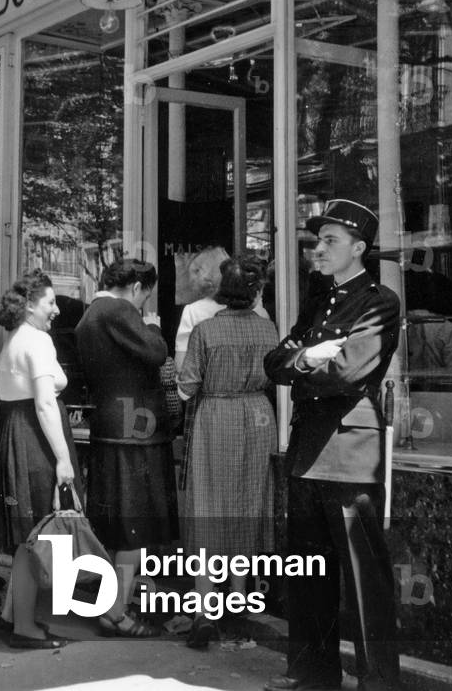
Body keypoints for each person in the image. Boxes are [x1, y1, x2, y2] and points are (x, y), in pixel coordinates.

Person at [263, 199, 402, 691]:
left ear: (359, 249)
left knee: (365, 577)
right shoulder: (318, 299)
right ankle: (311, 673)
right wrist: (306, 359)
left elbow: (349, 372)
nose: (318, 250)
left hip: (350, 451)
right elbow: (274, 363)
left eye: (330, 241)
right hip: (307, 450)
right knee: (308, 571)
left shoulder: (380, 301)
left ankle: (378, 681)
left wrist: (304, 363)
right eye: (318, 241)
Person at [178, 255, 278, 649]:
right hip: (257, 416)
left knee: (208, 505)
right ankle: (237, 603)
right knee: (248, 506)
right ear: (254, 293)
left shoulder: (206, 330)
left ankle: (204, 611)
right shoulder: (269, 329)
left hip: (215, 415)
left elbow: (187, 388)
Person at [75, 257, 178, 638]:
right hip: (136, 431)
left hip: (109, 425)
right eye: (144, 298)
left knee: (117, 526)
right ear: (136, 288)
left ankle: (113, 604)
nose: (144, 306)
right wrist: (152, 328)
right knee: (135, 526)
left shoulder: (91, 314)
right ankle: (117, 611)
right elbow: (155, 353)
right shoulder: (120, 311)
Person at [0, 269, 78, 650]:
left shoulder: (16, 340)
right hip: (34, 438)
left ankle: (14, 616)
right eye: (51, 302)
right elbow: (44, 403)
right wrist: (63, 460)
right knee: (41, 529)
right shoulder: (37, 342)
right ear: (29, 306)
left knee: (30, 530)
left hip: (14, 434)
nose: (56, 310)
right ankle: (26, 625)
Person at [175, 246, 269, 370]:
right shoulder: (259, 312)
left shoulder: (193, 311)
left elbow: (182, 365)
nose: (191, 277)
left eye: (197, 270)